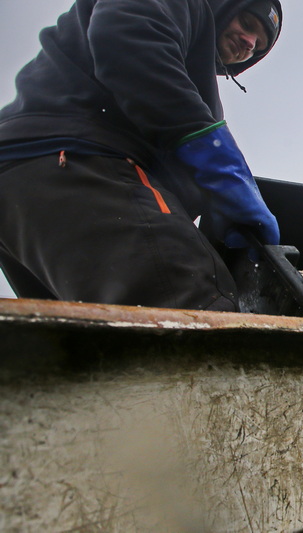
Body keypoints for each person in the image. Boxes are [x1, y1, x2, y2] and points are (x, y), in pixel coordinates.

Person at [0, 0, 283, 312]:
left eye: (259, 44)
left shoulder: (184, 68)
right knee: (196, 312)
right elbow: (129, 36)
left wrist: (206, 198)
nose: (250, 43)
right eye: (246, 22)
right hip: (79, 162)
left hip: (23, 183)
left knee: (90, 345)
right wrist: (220, 163)